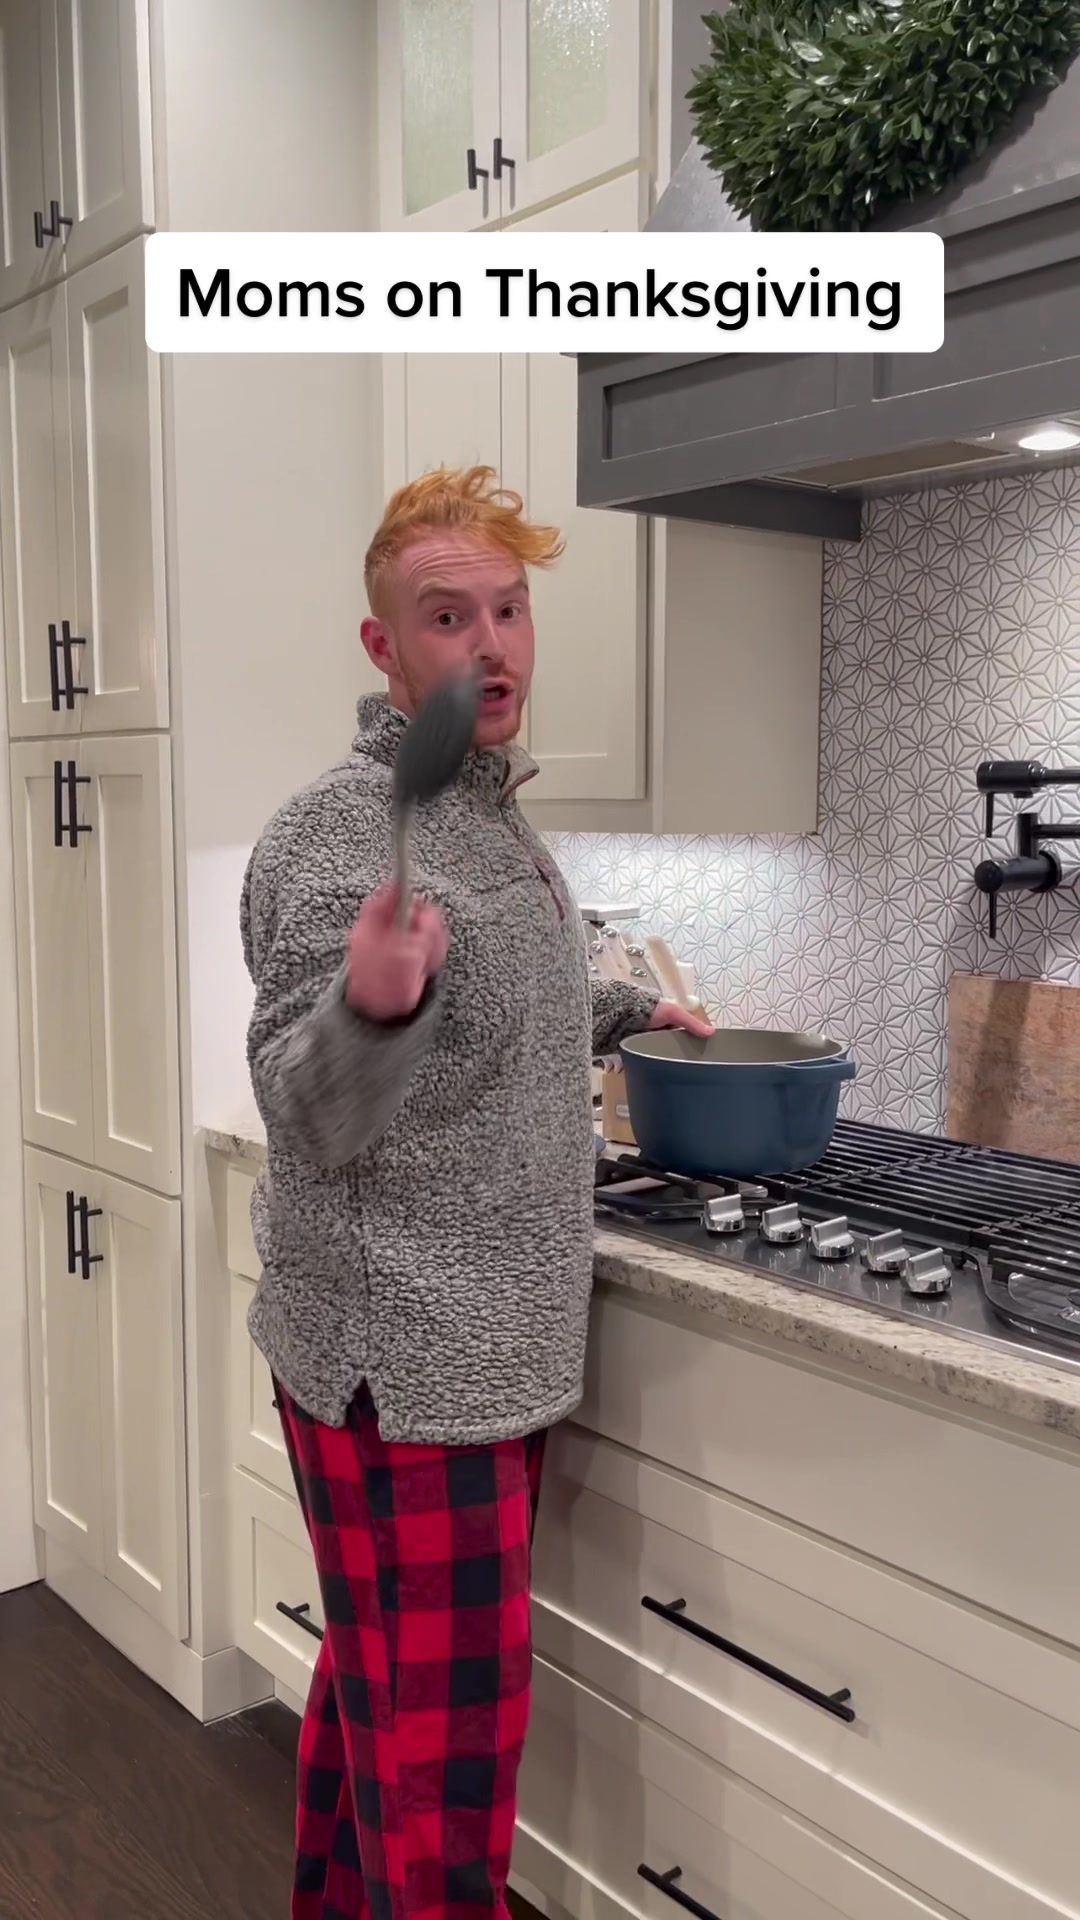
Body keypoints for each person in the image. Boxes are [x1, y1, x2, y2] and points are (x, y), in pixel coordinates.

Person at [241, 465, 711, 1920]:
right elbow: (307, 1110)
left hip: (493, 1348)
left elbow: (502, 1007)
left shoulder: (490, 816)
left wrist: (625, 1011)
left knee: (383, 1707)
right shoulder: (342, 837)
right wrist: (369, 1009)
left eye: (510, 610)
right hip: (405, 1364)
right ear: (383, 645)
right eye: (450, 616)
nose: (492, 645)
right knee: (444, 1776)